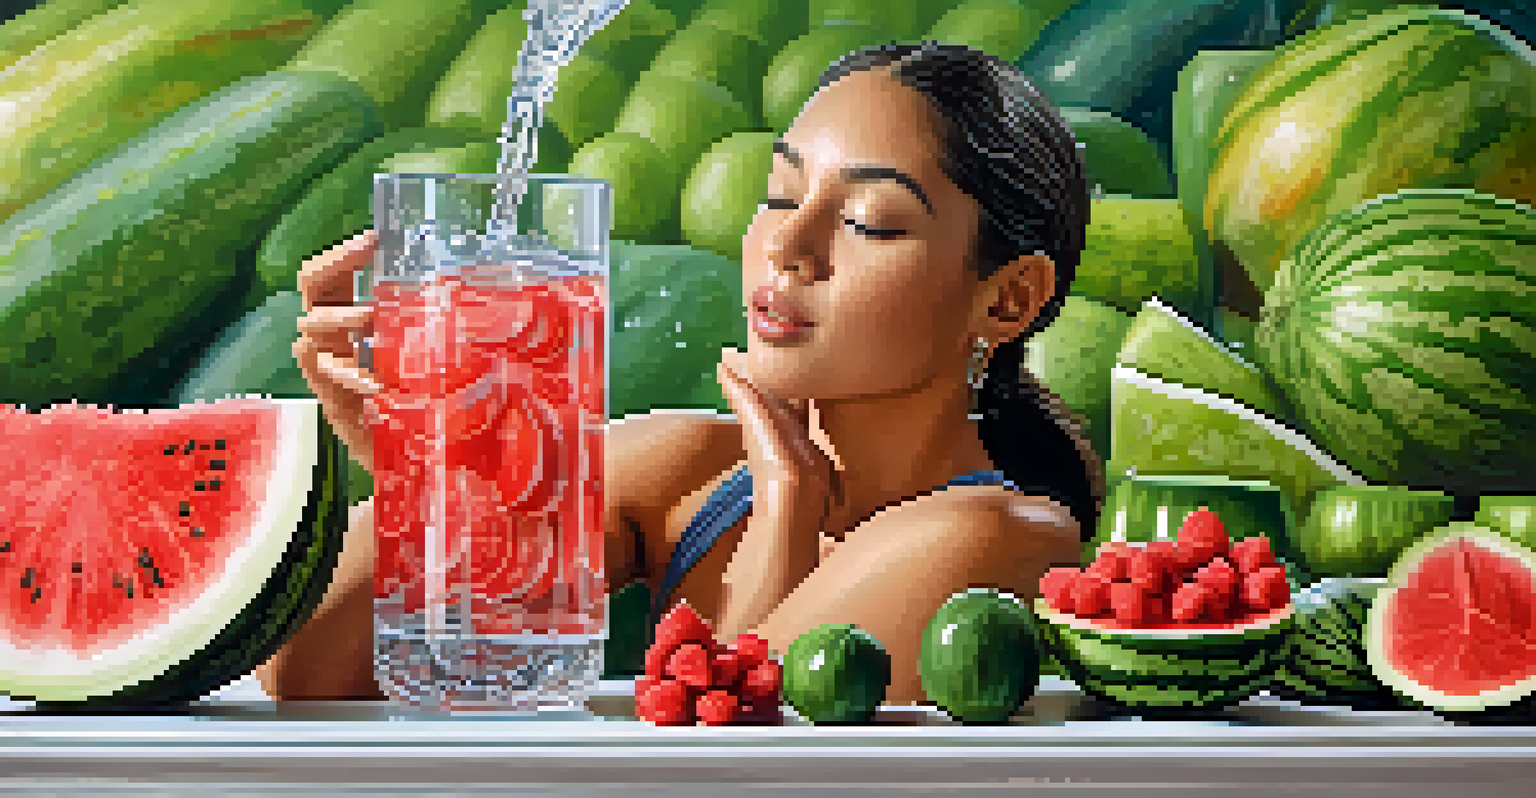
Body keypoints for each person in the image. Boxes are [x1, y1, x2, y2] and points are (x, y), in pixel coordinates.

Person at [257, 41, 1103, 705]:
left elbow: (726, 762)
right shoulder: (683, 468)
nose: (788, 248)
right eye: (779, 197)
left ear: (1008, 299)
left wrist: (784, 511)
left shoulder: (996, 537)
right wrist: (433, 475)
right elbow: (309, 672)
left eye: (869, 222)